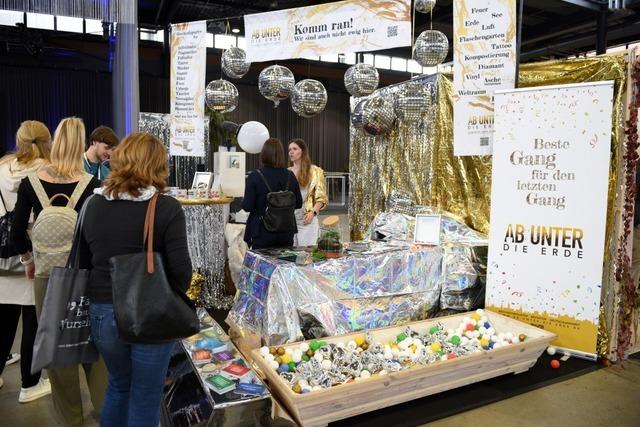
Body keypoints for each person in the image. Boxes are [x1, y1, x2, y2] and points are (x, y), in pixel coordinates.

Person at [79, 132, 192, 427]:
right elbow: (182, 273)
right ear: (157, 165)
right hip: (149, 313)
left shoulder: (92, 204)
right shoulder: (166, 207)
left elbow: (82, 262)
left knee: (117, 385)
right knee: (146, 394)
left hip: (102, 311)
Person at [12, 117, 105, 426]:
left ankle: (72, 419)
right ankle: (104, 410)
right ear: (81, 145)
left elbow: (15, 235)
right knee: (92, 344)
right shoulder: (91, 185)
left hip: (46, 275)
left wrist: (29, 262)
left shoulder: (31, 183)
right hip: (83, 275)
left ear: (54, 141)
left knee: (56, 348)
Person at [0, 120, 51, 402]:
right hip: (38, 254)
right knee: (33, 321)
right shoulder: (49, 171)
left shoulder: (1, 168)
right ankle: (29, 385)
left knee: (3, 321)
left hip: (4, 256)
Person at [242, 138, 302, 249]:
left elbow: (247, 206)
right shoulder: (290, 176)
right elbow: (298, 203)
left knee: (262, 265)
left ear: (263, 154)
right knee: (284, 264)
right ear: (281, 155)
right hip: (286, 231)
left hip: (262, 231)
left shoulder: (255, 176)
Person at [288, 138, 328, 246]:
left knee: (306, 255)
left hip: (307, 221)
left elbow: (321, 197)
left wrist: (313, 212)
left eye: (295, 149)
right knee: (290, 256)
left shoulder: (315, 171)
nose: (291, 152)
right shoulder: (287, 172)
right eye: (289, 150)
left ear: (303, 151)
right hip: (289, 222)